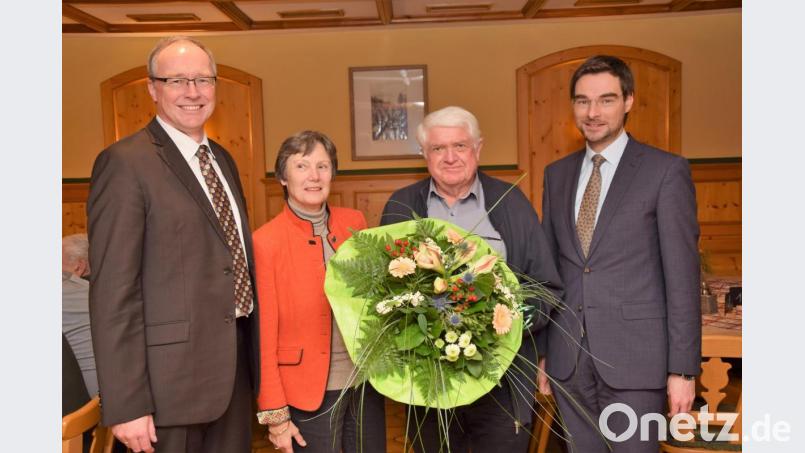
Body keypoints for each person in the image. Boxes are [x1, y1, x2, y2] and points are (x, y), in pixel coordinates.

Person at [87, 36, 259, 453]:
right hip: (166, 391)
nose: (193, 92)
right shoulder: (125, 163)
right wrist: (127, 403)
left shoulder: (222, 159)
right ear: (152, 88)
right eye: (178, 80)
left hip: (232, 376)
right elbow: (113, 293)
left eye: (203, 80)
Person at [537, 55, 701, 453]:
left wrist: (682, 368)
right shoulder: (556, 174)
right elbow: (550, 272)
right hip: (568, 361)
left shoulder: (665, 171)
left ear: (628, 101)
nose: (592, 113)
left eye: (606, 100)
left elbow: (682, 278)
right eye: (582, 101)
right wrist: (541, 351)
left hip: (637, 363)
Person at [380, 106, 563, 453]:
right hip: (428, 387)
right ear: (424, 154)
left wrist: (509, 322)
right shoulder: (400, 206)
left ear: (478, 149)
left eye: (460, 146)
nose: (450, 157)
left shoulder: (512, 203)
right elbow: (383, 295)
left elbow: (546, 287)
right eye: (438, 148)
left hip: (502, 384)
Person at [252, 131, 386, 453]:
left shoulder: (354, 222)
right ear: (283, 177)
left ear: (332, 175)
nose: (314, 176)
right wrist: (277, 418)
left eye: (323, 166)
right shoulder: (265, 242)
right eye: (302, 166)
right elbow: (263, 336)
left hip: (365, 385)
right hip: (307, 392)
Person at [62, 233, 98, 397]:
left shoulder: (66, 291)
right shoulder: (97, 291)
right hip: (109, 392)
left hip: (80, 398)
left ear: (78, 267)